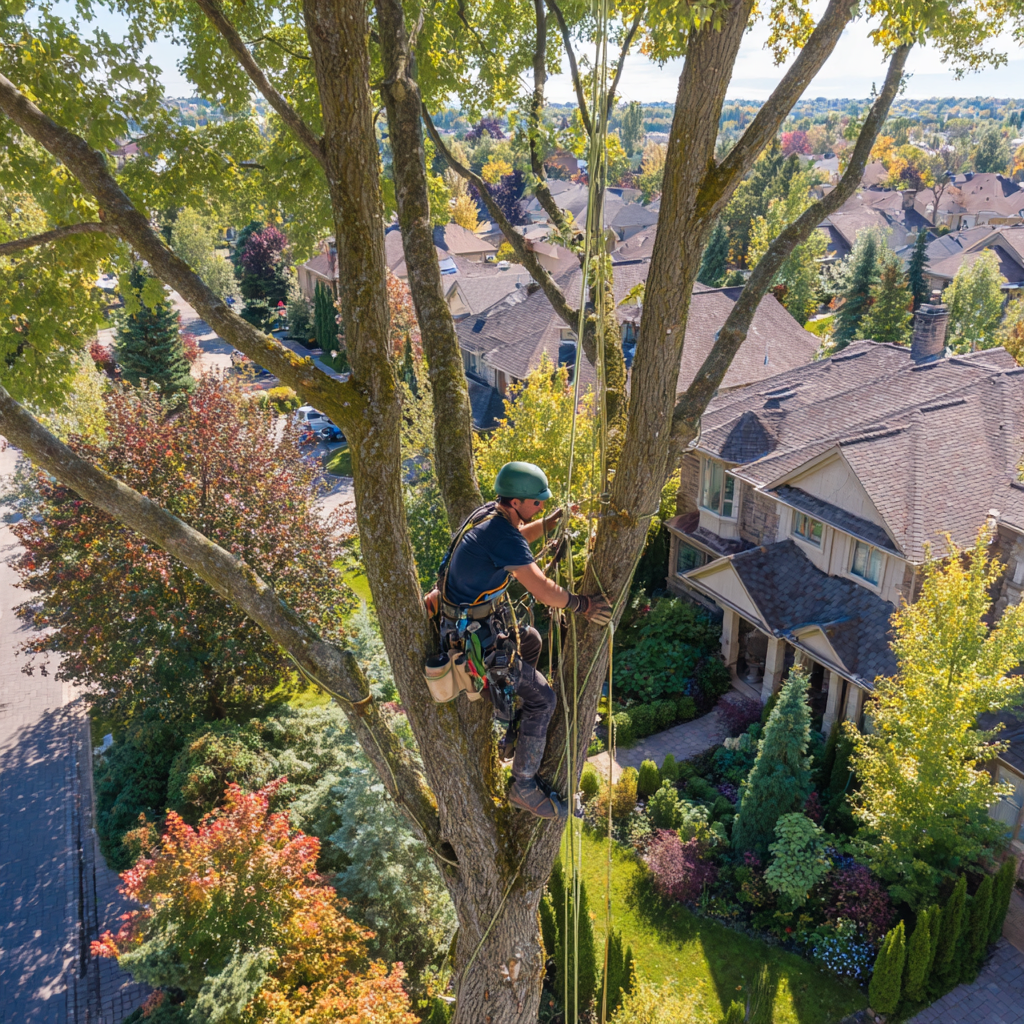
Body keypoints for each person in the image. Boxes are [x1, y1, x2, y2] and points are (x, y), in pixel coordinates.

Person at [425, 462, 611, 820]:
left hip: (469, 624)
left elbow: (516, 541)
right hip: (474, 641)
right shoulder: (502, 535)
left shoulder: (491, 517)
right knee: (545, 700)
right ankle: (523, 785)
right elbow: (542, 589)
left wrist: (549, 523)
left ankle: (513, 723)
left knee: (532, 642)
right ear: (514, 501)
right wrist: (581, 604)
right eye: (535, 503)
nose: (539, 507)